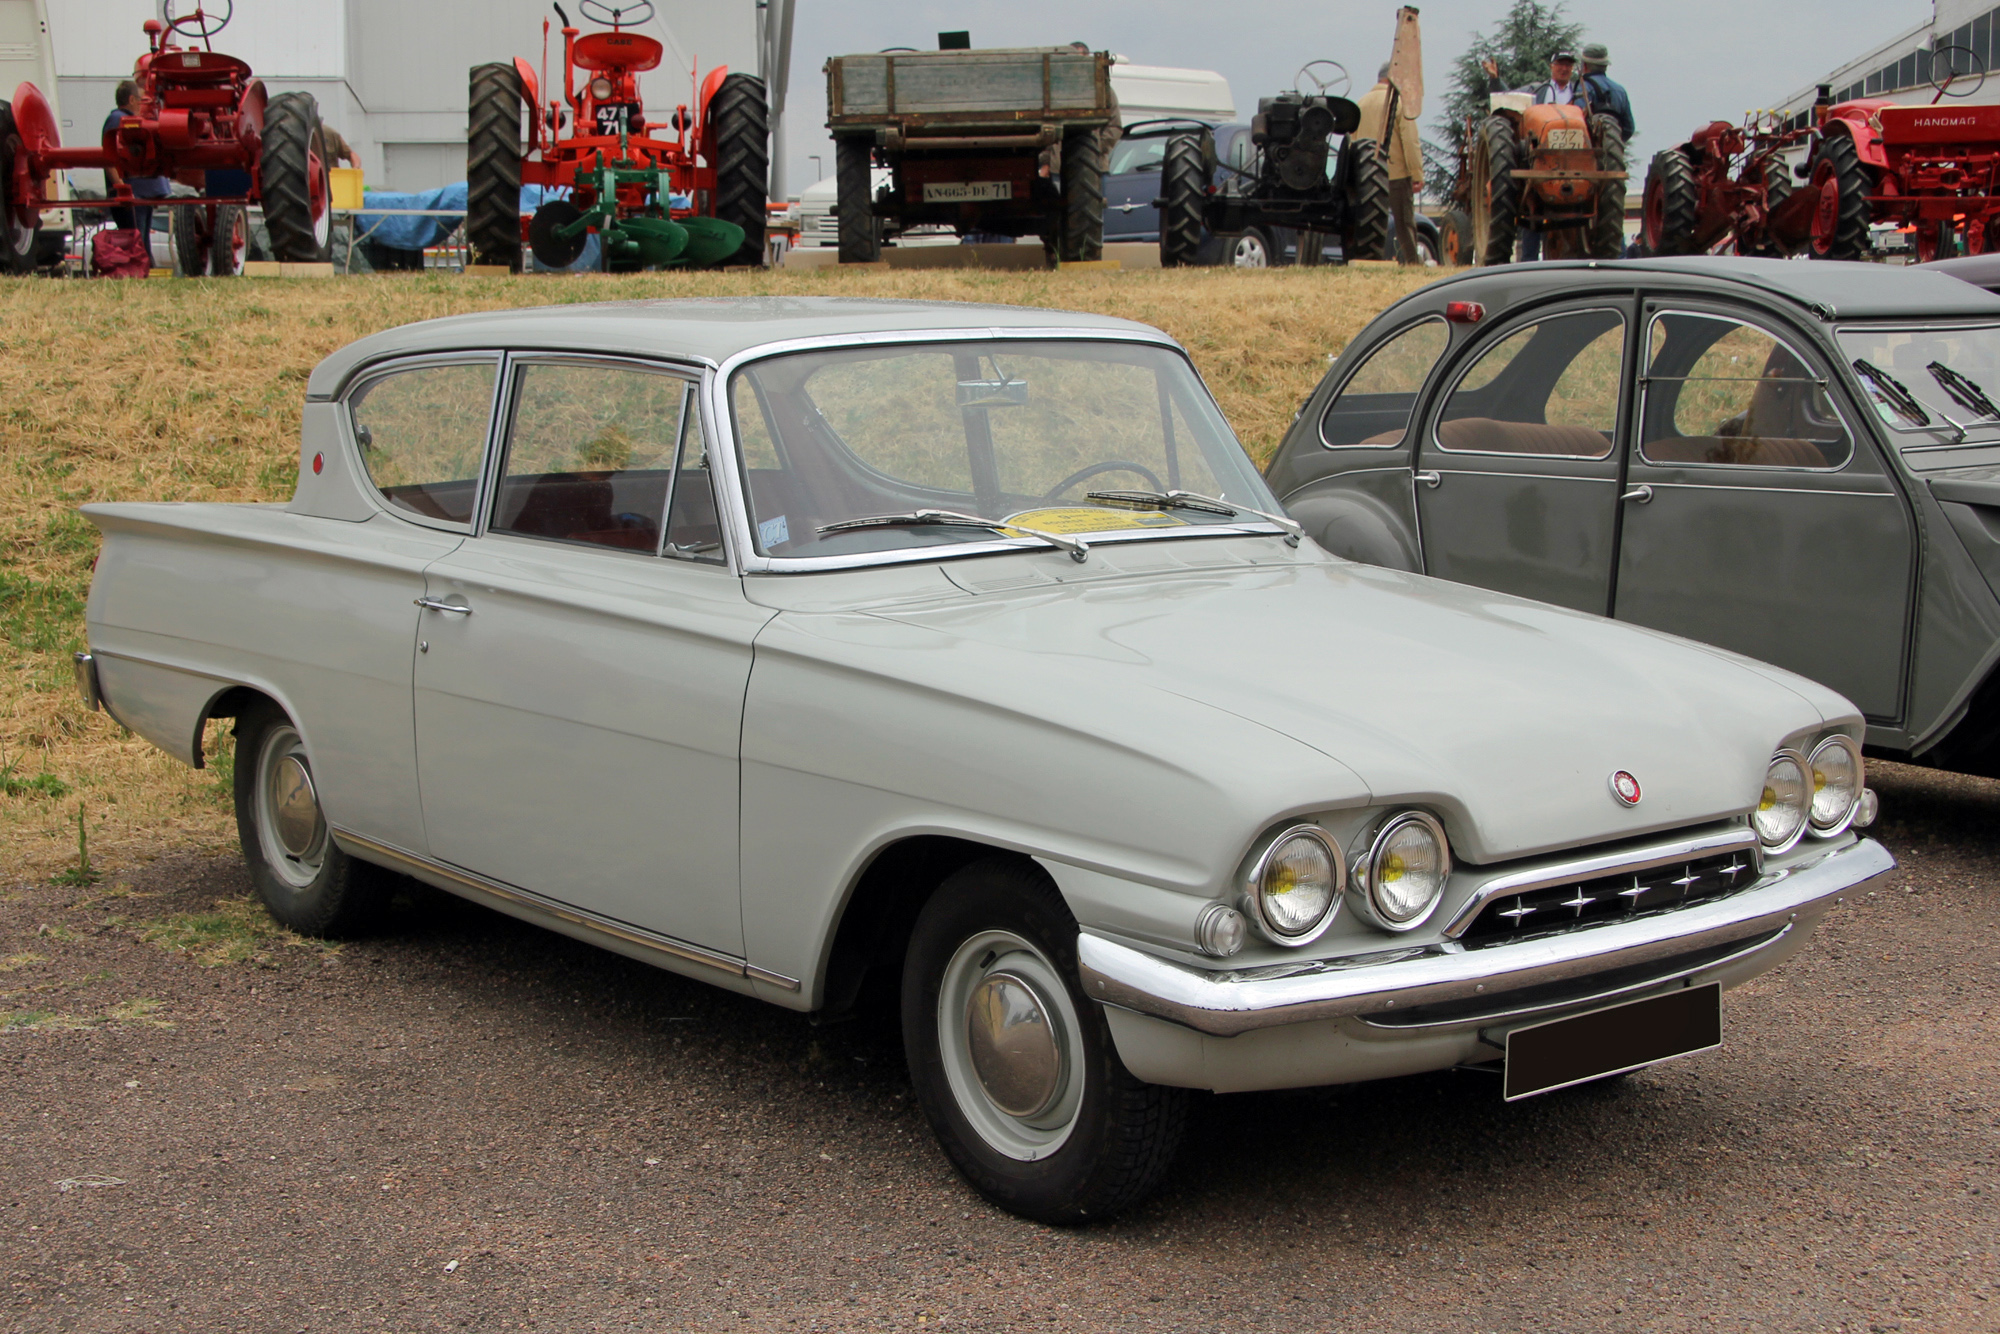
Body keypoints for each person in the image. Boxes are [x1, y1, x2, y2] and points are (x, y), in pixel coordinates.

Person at [1355, 63, 1423, 265]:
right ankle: (1411, 262)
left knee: (1368, 222)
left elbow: (1353, 140)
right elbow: (1409, 141)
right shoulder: (1399, 103)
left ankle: (1366, 261)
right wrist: (1416, 174)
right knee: (1404, 224)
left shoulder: (1361, 103)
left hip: (1366, 175)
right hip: (1396, 174)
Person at [102, 79, 170, 239]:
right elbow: (110, 157)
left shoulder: (121, 119)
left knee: (142, 239)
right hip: (133, 195)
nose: (141, 105)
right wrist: (122, 188)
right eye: (140, 100)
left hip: (139, 196)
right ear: (131, 100)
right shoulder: (117, 119)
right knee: (138, 240)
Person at [1579, 43, 1636, 143]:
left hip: (1585, 152)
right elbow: (1629, 128)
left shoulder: (1582, 88)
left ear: (1584, 65)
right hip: (1611, 152)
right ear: (1605, 66)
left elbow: (1576, 121)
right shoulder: (1620, 90)